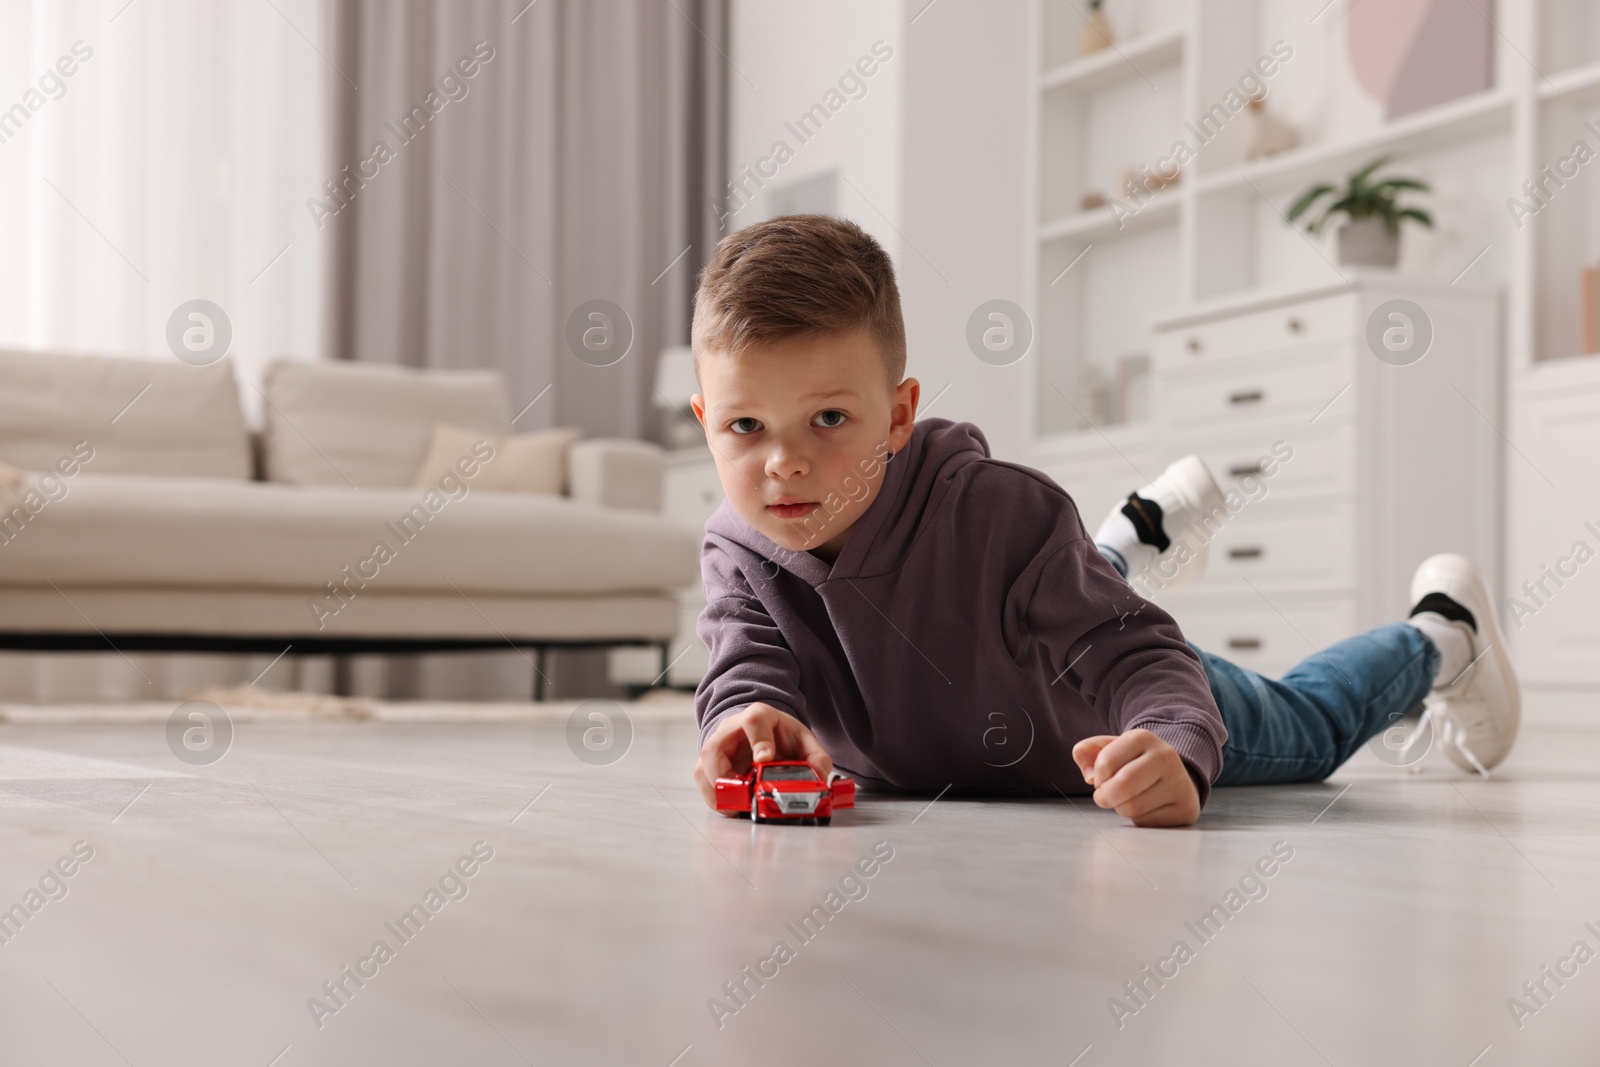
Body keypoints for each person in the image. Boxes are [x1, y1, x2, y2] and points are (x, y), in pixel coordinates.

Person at [686, 214, 1520, 827]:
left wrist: (1173, 743)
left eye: (829, 419)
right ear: (704, 420)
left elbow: (1139, 655)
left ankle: (1442, 634)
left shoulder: (1001, 514)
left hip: (1092, 712)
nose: (784, 464)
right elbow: (746, 669)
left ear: (900, 415)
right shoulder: (736, 546)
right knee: (1067, 582)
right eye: (745, 427)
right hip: (1017, 635)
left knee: (1307, 722)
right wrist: (742, 723)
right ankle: (1127, 535)